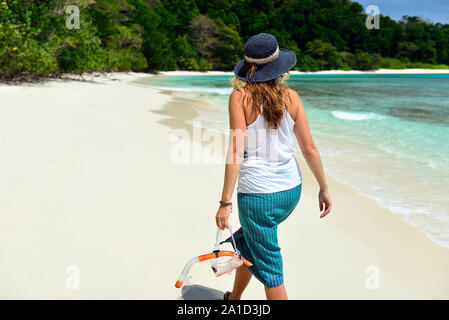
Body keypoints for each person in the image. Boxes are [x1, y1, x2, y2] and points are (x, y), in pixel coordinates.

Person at [215, 33, 332, 300]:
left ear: (248, 68)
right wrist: (324, 187)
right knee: (247, 243)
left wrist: (224, 203)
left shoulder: (239, 98)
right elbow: (309, 148)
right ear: (279, 67)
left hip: (258, 197)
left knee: (271, 271)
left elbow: (235, 150)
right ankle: (234, 299)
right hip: (291, 190)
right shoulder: (292, 97)